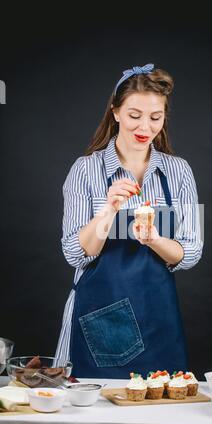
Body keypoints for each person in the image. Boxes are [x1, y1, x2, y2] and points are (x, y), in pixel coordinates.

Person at [55, 63, 203, 378]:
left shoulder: (178, 172)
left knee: (161, 415)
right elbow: (75, 252)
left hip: (158, 319)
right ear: (116, 112)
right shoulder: (85, 170)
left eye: (155, 117)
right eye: (135, 115)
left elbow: (190, 252)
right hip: (100, 319)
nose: (145, 127)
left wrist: (154, 239)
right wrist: (108, 211)